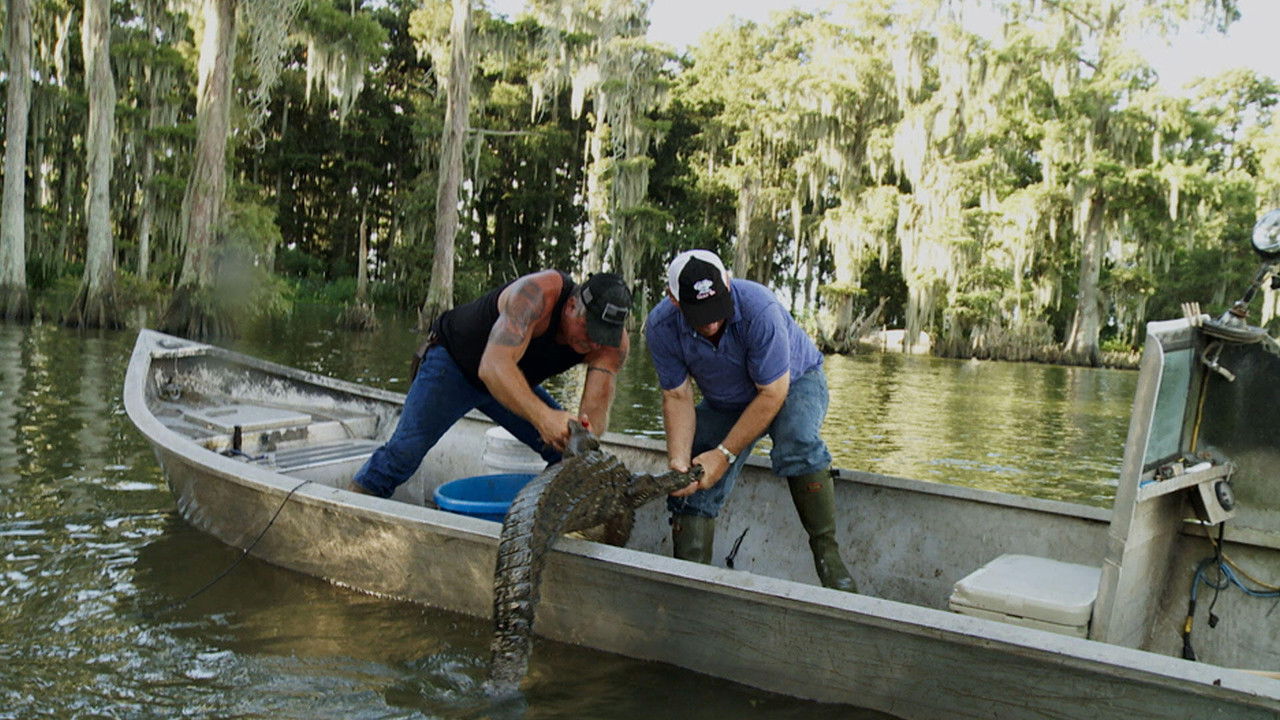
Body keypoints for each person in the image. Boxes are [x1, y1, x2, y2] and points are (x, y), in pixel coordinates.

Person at [644, 249, 856, 592]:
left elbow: (772, 393)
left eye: (716, 310)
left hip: (792, 384)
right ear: (674, 300)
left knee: (796, 438)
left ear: (727, 284)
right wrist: (680, 462)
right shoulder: (661, 325)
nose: (711, 322)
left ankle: (827, 555)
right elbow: (677, 396)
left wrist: (725, 454)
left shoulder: (760, 308)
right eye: (700, 314)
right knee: (693, 471)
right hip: (726, 401)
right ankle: (690, 578)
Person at [349, 270, 632, 498]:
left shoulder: (611, 345)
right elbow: (493, 367)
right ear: (571, 306)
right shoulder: (536, 294)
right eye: (589, 329)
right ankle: (351, 507)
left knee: (571, 458)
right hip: (454, 366)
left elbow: (593, 420)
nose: (594, 342)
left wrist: (579, 436)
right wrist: (544, 417)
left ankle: (542, 524)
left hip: (512, 384)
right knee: (403, 455)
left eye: (603, 335)